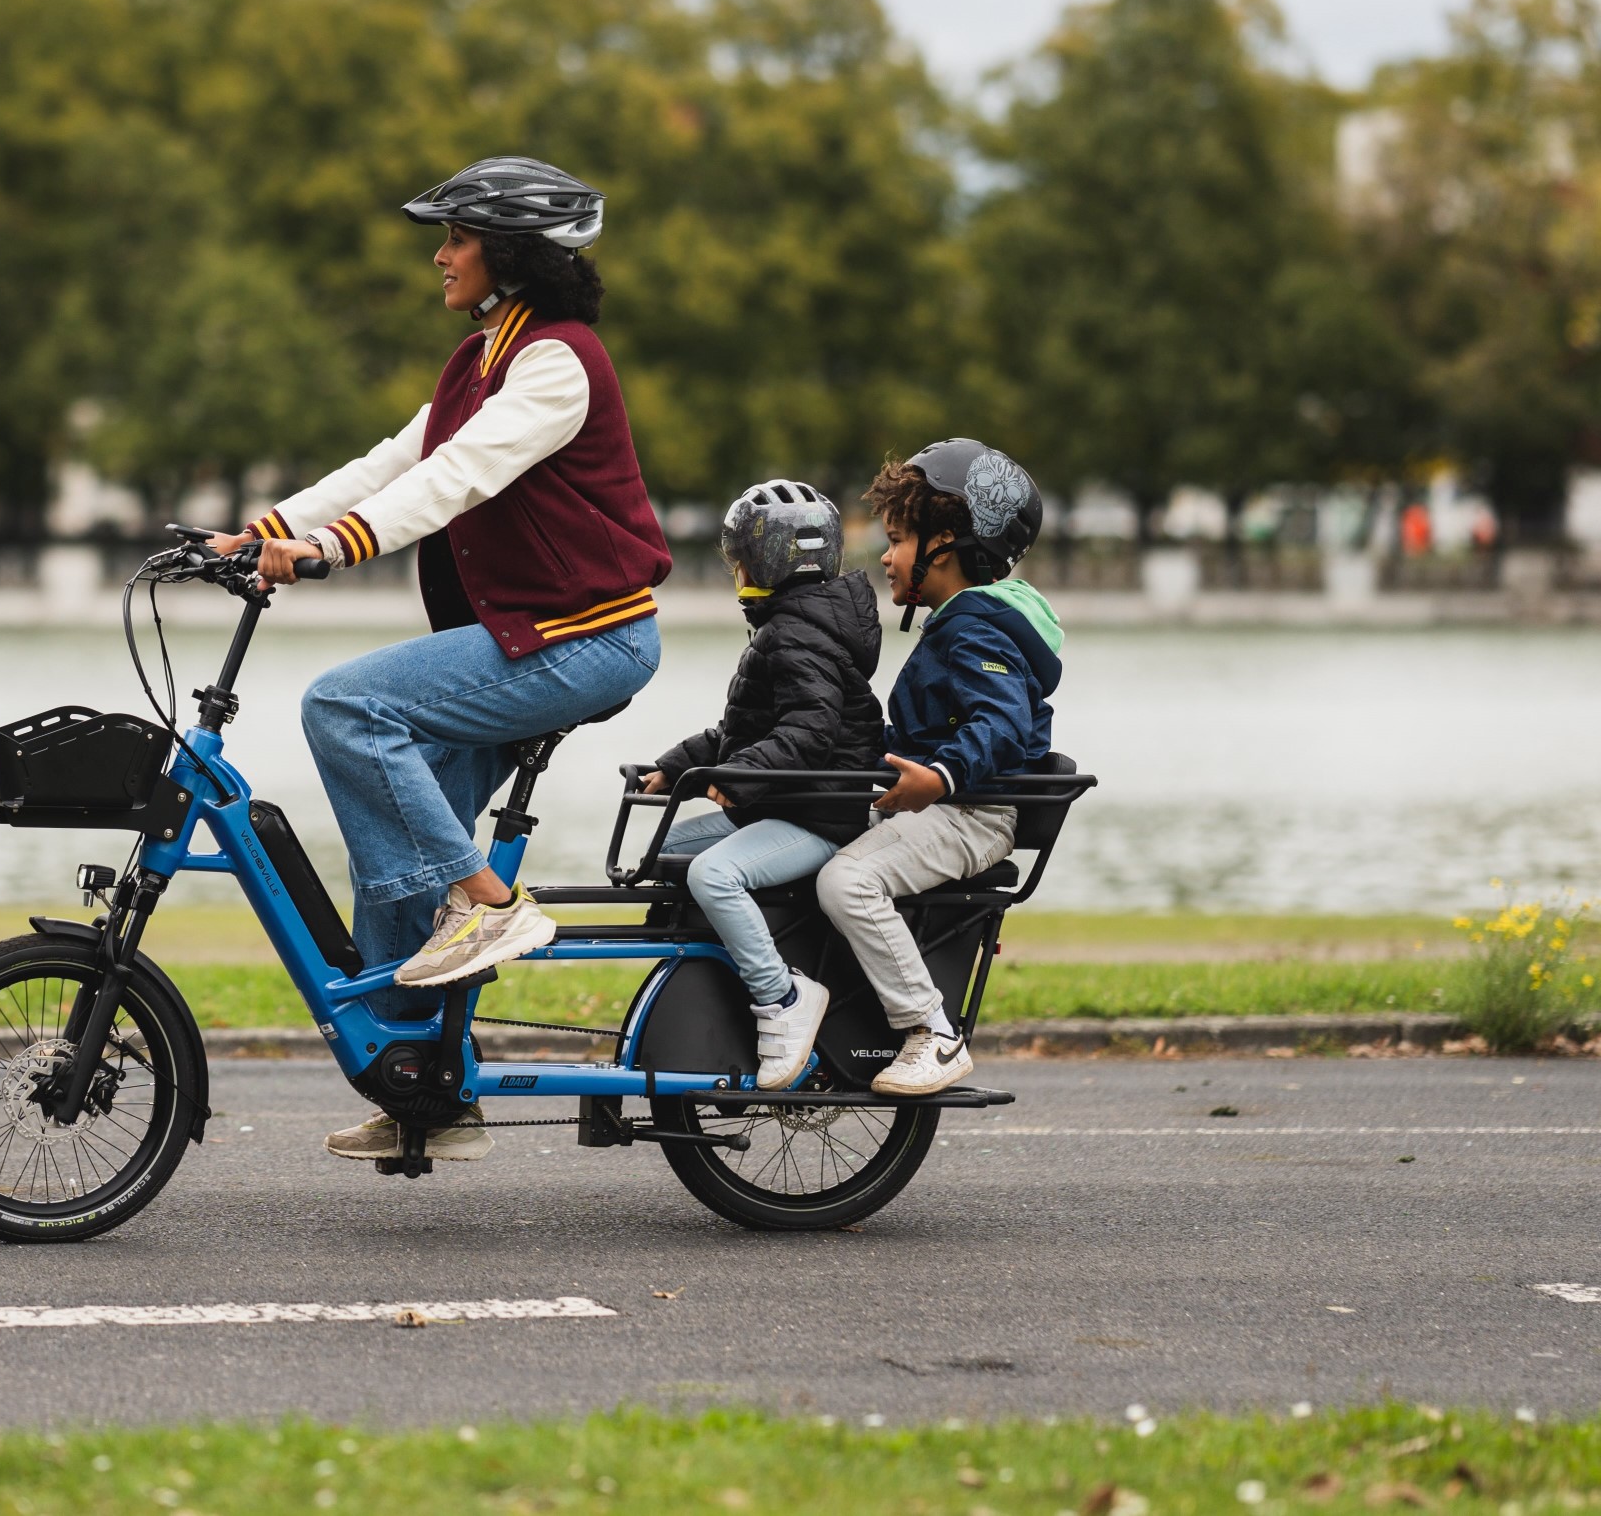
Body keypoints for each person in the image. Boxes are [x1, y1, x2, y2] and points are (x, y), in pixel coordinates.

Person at [208, 156, 672, 1163]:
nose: (440, 255)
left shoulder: (557, 362)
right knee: (389, 861)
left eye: (456, 238)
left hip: (591, 638)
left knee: (344, 706)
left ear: (508, 257)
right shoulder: (477, 363)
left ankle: (491, 907)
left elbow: (458, 478)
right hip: (527, 638)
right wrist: (269, 531)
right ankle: (429, 1091)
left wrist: (332, 549)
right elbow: (395, 460)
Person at [816, 439, 1059, 1097]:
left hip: (970, 812)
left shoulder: (975, 632)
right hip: (946, 803)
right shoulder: (953, 627)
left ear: (944, 543)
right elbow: (917, 734)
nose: (885, 556)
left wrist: (941, 777)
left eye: (896, 539)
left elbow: (1001, 725)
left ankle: (933, 1033)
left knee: (848, 882)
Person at [645, 482, 883, 1089]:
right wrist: (677, 768)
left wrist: (740, 777)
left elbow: (811, 728)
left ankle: (782, 999)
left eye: (740, 558)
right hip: (786, 805)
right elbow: (740, 730)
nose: (736, 570)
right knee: (672, 849)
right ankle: (718, 975)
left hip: (817, 819)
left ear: (769, 563)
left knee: (711, 873)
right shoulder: (793, 626)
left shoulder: (798, 634)